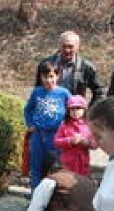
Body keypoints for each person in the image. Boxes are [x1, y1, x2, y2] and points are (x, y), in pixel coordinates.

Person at [24, 60, 71, 190]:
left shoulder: (64, 93)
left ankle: (52, 200)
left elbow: (74, 110)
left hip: (56, 136)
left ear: (57, 76)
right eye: (45, 77)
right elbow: (28, 109)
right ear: (40, 77)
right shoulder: (37, 92)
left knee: (54, 168)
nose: (48, 80)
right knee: (36, 167)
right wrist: (30, 124)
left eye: (51, 76)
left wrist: (68, 128)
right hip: (38, 135)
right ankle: (35, 199)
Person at [42, 30, 105, 106]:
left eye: (70, 46)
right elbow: (38, 88)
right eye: (64, 46)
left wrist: (89, 111)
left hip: (75, 113)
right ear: (59, 45)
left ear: (78, 46)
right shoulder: (47, 64)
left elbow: (100, 92)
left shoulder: (87, 67)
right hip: (51, 111)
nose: (67, 50)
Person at [54, 95, 96, 176]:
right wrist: (70, 140)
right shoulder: (64, 125)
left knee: (82, 184)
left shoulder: (89, 125)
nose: (75, 111)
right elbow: (56, 141)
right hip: (67, 163)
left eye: (78, 108)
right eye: (72, 109)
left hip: (83, 163)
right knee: (68, 184)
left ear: (84, 109)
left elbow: (95, 144)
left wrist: (86, 142)